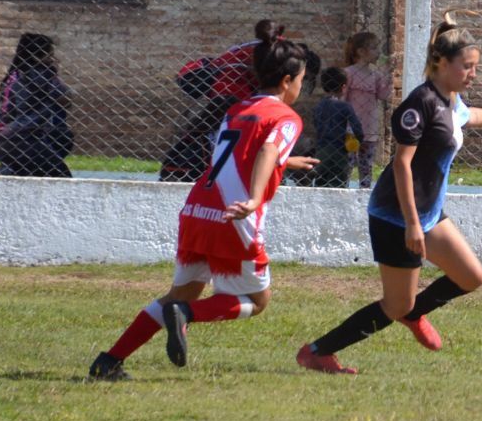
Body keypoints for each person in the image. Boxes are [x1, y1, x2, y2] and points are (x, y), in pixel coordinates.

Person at [295, 14, 482, 374]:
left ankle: (415, 312)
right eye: (467, 67)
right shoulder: (419, 104)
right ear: (442, 63)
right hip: (397, 216)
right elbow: (401, 165)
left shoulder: (450, 98)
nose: (472, 74)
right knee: (394, 306)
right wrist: (412, 225)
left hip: (426, 214)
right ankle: (317, 351)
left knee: (471, 276)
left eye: (475, 67)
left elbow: (466, 117)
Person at [88, 36, 320, 380]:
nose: (301, 87)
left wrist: (286, 163)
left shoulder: (237, 109)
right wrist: (256, 198)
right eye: (301, 80)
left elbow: (238, 160)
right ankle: (185, 314)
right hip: (233, 218)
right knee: (257, 302)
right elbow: (267, 152)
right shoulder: (286, 118)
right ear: (287, 82)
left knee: (180, 292)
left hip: (198, 210)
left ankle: (109, 361)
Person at [160, 20, 320, 182]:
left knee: (220, 132)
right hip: (231, 86)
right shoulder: (282, 54)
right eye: (301, 79)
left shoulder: (275, 45)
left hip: (225, 84)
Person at [0, 32, 74, 178]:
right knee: (62, 177)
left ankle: (12, 170)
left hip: (2, 138)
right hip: (25, 139)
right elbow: (65, 100)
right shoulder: (39, 74)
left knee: (31, 170)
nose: (54, 59)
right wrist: (54, 75)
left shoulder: (14, 74)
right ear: (36, 57)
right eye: (50, 55)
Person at [344, 31, 393, 188]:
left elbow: (383, 95)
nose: (378, 52)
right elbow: (343, 98)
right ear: (361, 51)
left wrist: (388, 76)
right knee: (349, 160)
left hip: (370, 125)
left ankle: (365, 189)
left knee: (367, 162)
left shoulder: (376, 75)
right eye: (374, 48)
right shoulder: (349, 72)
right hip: (351, 125)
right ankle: (343, 185)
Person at [313, 67, 364, 188]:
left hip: (321, 148)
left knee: (320, 180)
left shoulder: (319, 106)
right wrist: (359, 140)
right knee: (338, 181)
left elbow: (315, 123)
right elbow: (356, 126)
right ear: (343, 87)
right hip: (339, 150)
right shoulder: (345, 106)